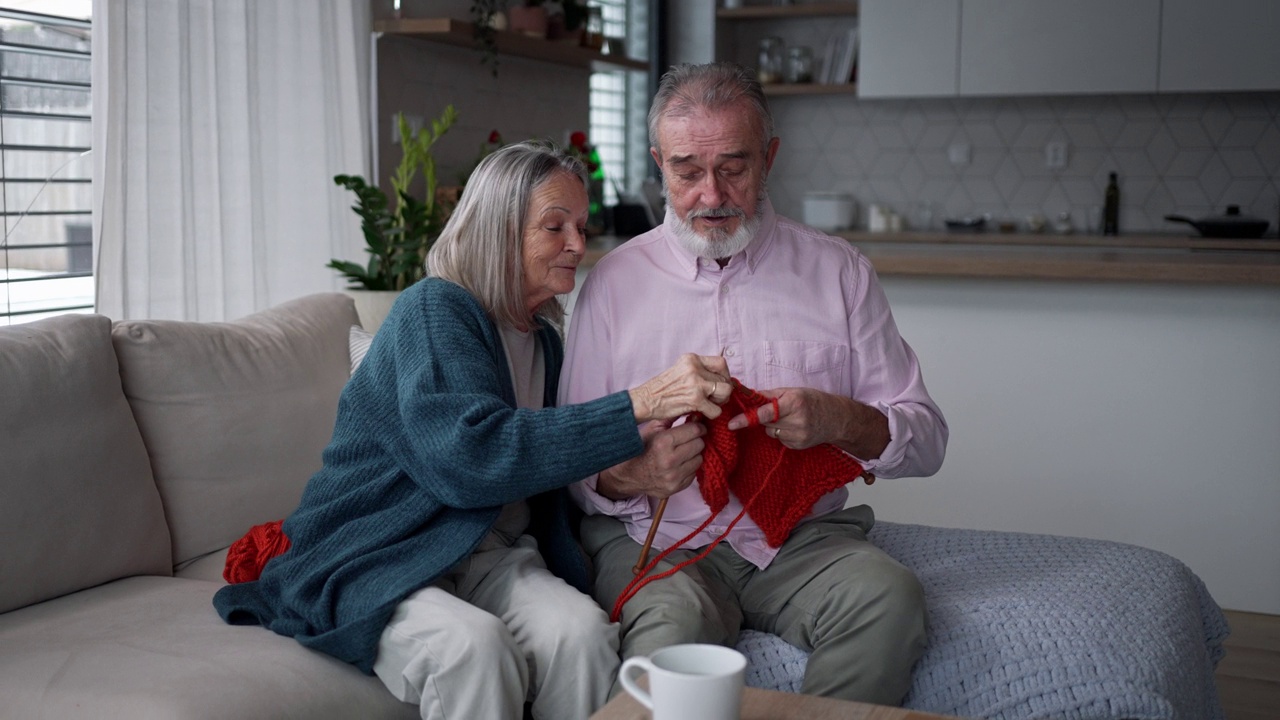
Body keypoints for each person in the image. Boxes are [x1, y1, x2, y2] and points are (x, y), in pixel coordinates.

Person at [213, 141, 733, 720]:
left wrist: (631, 467)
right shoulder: (436, 311)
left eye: (581, 227)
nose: (578, 245)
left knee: (580, 633)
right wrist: (639, 402)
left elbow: (545, 460)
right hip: (386, 548)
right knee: (473, 648)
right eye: (554, 226)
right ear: (498, 229)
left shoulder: (544, 342)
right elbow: (470, 458)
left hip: (488, 551)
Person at [558, 63, 949, 706]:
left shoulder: (840, 273)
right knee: (669, 631)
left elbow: (928, 439)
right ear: (659, 163)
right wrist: (635, 474)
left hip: (801, 541)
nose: (711, 195)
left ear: (768, 158)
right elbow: (570, 462)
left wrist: (840, 420)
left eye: (733, 168)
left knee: (888, 597)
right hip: (655, 542)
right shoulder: (611, 287)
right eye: (687, 172)